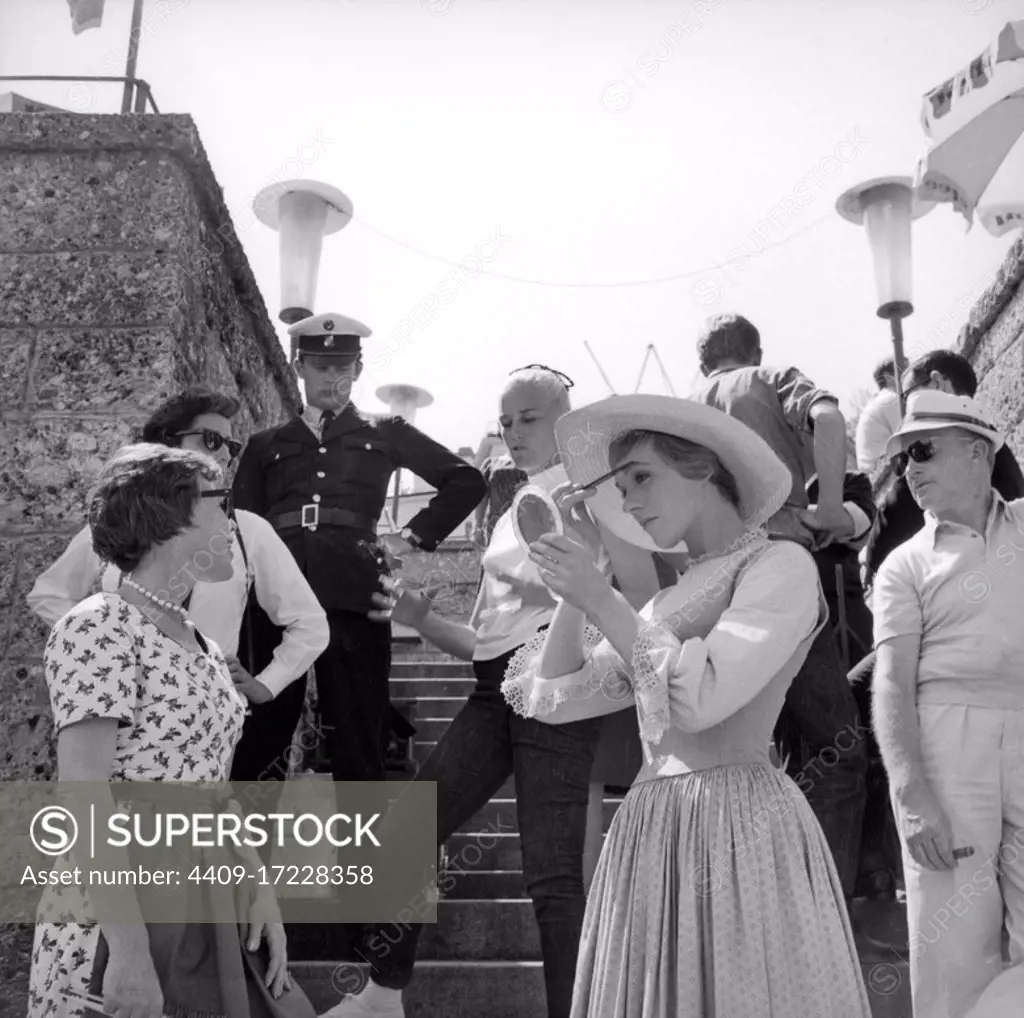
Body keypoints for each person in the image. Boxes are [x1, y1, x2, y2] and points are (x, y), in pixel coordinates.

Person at [500, 394, 871, 1016]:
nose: (629, 502)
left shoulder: (780, 564)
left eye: (641, 477)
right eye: (619, 488)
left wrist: (604, 600)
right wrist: (585, 579)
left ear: (702, 468)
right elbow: (554, 696)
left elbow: (704, 698)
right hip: (651, 833)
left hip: (738, 824)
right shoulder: (664, 604)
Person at [329, 367, 650, 1018]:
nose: (514, 432)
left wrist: (592, 642)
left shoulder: (600, 497)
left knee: (553, 878)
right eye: (505, 423)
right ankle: (383, 995)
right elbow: (482, 639)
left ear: (566, 417)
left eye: (529, 418)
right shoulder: (507, 515)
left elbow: (644, 597)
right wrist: (421, 620)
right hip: (491, 690)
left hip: (556, 683)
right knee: (407, 827)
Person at [28, 443, 314, 1018]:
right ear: (171, 515)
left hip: (212, 883)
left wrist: (261, 892)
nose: (233, 522)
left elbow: (216, 786)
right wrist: (130, 956)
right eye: (221, 504)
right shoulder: (99, 625)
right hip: (129, 896)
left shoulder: (204, 644)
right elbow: (83, 798)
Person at [25, 387, 330, 786]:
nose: (224, 454)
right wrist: (107, 649)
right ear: (168, 443)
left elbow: (310, 624)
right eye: (212, 440)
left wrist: (264, 685)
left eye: (231, 445)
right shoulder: (100, 622)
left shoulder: (249, 533)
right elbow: (88, 806)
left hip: (215, 729)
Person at [231, 313, 486, 785]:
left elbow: (466, 480)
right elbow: (240, 529)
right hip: (274, 603)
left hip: (355, 599)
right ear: (299, 367)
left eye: (342, 366)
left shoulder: (384, 431)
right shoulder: (265, 445)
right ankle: (244, 859)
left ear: (357, 371)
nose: (333, 377)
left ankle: (360, 862)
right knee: (260, 740)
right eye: (321, 366)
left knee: (357, 742)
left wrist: (407, 537)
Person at [689, 312, 868, 900]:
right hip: (777, 563)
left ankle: (776, 904)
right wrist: (833, 507)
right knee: (836, 755)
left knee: (787, 756)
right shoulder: (766, 378)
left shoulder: (686, 406)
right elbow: (830, 416)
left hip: (707, 586)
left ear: (703, 360)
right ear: (754, 349)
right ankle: (821, 914)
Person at [872, 391, 1024, 1018]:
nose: (909, 468)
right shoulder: (901, 566)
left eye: (923, 449)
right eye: (904, 456)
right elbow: (890, 683)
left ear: (979, 451)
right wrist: (911, 797)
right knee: (953, 954)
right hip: (944, 738)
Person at [855, 355, 901, 474]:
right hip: (885, 475)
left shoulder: (877, 401)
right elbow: (907, 437)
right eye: (905, 369)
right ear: (888, 377)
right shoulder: (891, 400)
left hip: (873, 475)